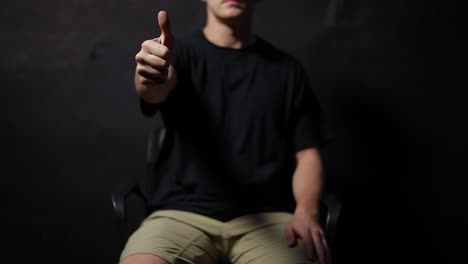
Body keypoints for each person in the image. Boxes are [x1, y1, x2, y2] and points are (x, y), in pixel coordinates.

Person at [121, 0, 329, 263]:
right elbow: (155, 89)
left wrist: (307, 212)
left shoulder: (287, 70)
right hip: (181, 212)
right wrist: (152, 74)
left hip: (268, 219)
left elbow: (308, 155)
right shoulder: (178, 53)